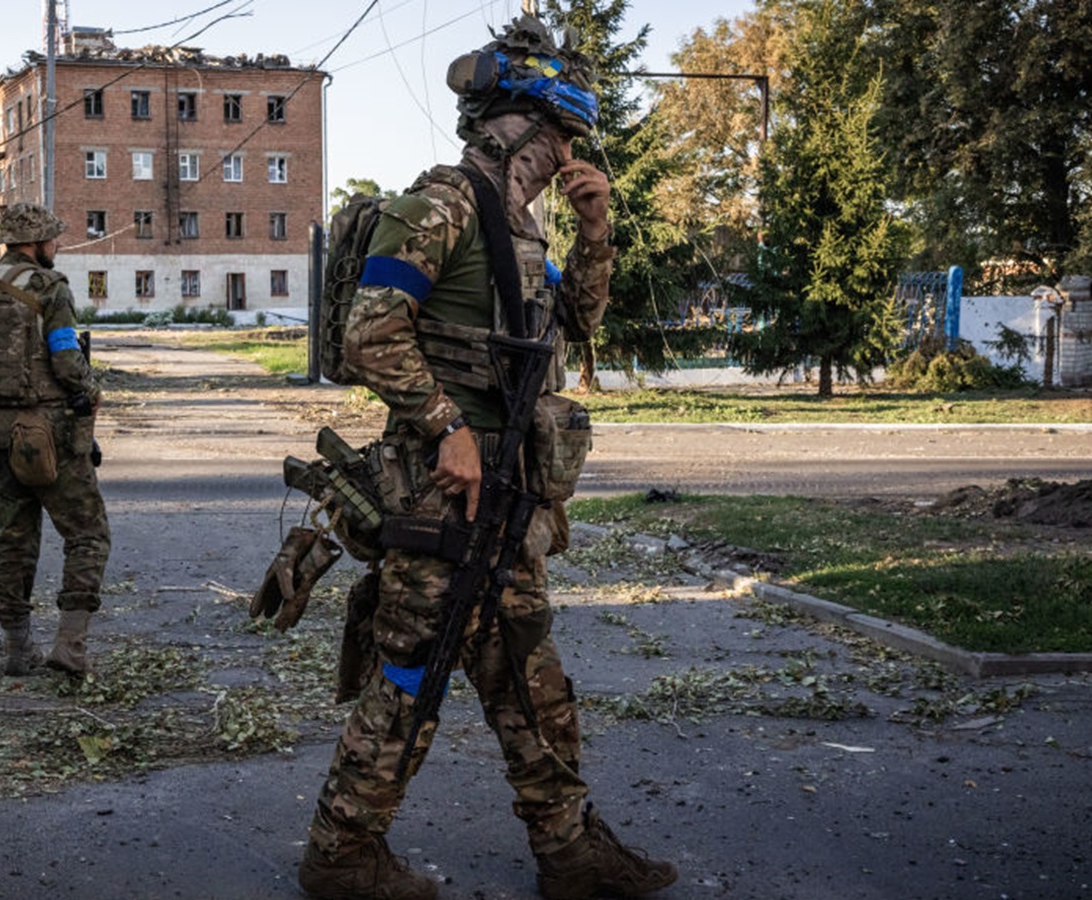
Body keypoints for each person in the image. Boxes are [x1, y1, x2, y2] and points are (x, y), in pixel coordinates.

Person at [296, 15, 678, 900]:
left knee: (529, 682)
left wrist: (595, 232)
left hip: (507, 498)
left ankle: (570, 853)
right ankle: (341, 855)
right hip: (441, 495)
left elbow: (571, 330)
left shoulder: (523, 226)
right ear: (520, 125)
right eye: (561, 139)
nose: (566, 156)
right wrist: (447, 427)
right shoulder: (443, 203)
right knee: (408, 679)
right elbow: (369, 334)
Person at [0, 203, 109, 677]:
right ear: (36, 243)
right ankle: (71, 647)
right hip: (51, 434)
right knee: (88, 534)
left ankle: (17, 649)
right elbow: (64, 358)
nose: (57, 245)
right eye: (53, 239)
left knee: (12, 541)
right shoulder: (49, 288)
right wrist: (89, 390)